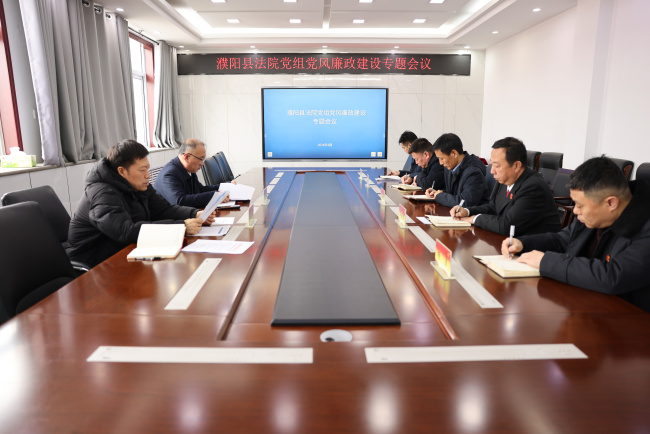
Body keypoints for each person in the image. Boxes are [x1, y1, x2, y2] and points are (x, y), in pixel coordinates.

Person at [503, 156, 650, 313]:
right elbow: (562, 239)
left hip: (628, 318)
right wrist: (523, 243)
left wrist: (546, 261)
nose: (575, 211)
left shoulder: (645, 227)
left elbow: (613, 277)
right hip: (584, 305)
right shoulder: (592, 215)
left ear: (611, 203)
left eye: (580, 205)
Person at [67, 139, 214, 268]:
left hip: (127, 251)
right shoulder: (102, 193)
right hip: (95, 263)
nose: (148, 175)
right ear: (122, 171)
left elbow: (163, 210)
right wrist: (181, 227)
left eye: (147, 168)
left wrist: (194, 213)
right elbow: (125, 231)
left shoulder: (138, 183)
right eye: (142, 170)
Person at [450, 137, 560, 236]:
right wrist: (467, 211)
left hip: (536, 247)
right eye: (492, 164)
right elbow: (493, 207)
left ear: (516, 166)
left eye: (497, 166)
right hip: (511, 242)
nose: (492, 171)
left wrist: (474, 219)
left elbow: (507, 226)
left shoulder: (533, 187)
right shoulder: (505, 178)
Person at [154, 138, 231, 208]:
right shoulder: (170, 174)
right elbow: (180, 201)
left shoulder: (188, 169)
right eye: (200, 159)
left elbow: (200, 189)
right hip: (170, 217)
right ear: (186, 157)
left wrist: (225, 186)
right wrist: (215, 196)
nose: (202, 164)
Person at [425, 133, 489, 207]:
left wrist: (440, 196)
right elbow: (453, 193)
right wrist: (437, 192)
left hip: (472, 213)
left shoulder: (473, 172)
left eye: (441, 158)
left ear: (454, 153)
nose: (440, 163)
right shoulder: (450, 167)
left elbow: (465, 203)